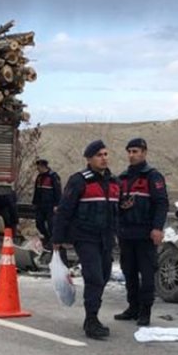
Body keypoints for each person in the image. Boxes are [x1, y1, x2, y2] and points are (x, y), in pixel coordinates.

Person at [52, 140, 119, 340]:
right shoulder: (79, 181)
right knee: (94, 277)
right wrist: (57, 238)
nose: (104, 158)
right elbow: (64, 211)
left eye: (106, 154)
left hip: (106, 238)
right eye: (99, 155)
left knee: (104, 276)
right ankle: (92, 320)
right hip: (85, 237)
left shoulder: (114, 182)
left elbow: (117, 213)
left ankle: (92, 316)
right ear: (89, 159)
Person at [114, 137, 169, 327]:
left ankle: (145, 312)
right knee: (128, 272)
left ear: (144, 153)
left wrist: (157, 228)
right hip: (126, 233)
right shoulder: (122, 178)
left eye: (135, 151)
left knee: (146, 275)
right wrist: (122, 207)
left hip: (145, 234)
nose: (132, 155)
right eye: (129, 151)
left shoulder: (152, 176)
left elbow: (161, 203)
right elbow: (116, 205)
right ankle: (133, 307)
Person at [31, 158, 62, 245]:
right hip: (40, 206)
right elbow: (36, 191)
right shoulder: (39, 177)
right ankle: (47, 238)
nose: (37, 169)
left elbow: (58, 192)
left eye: (38, 167)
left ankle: (52, 242)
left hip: (50, 206)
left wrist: (57, 205)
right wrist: (34, 203)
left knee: (51, 225)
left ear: (43, 166)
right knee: (39, 223)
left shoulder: (53, 177)